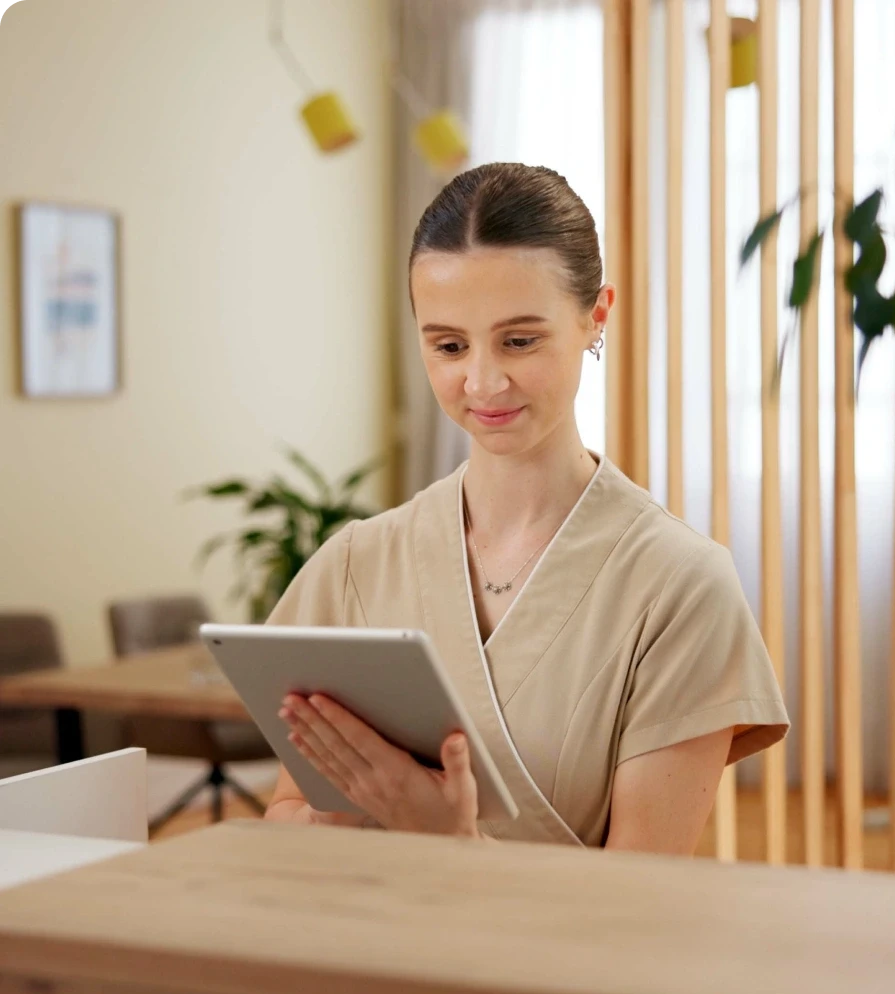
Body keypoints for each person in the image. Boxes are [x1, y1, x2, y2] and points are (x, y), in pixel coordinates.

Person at [263, 162, 789, 852]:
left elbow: (640, 904)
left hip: (563, 964)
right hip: (363, 952)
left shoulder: (680, 587)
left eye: (519, 340)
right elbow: (285, 818)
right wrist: (349, 816)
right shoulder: (356, 566)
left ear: (594, 317)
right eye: (449, 345)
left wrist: (451, 842)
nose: (482, 381)